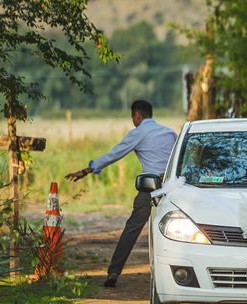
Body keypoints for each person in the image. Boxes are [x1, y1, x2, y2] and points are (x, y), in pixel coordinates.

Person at [65, 100, 177, 287]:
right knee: (173, 229)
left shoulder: (138, 133)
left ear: (137, 116)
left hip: (151, 187)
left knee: (132, 228)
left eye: (133, 117)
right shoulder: (170, 133)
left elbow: (114, 154)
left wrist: (87, 170)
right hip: (173, 188)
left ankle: (114, 272)